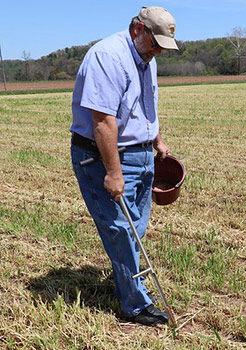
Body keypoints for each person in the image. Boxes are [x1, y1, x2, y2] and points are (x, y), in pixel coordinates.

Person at [70, 6, 178, 326]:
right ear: (137, 29)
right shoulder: (107, 57)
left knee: (136, 229)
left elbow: (146, 105)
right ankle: (135, 304)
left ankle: (128, 281)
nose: (158, 50)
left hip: (141, 155)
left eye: (163, 46)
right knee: (120, 229)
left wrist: (157, 142)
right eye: (155, 42)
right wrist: (113, 173)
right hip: (102, 156)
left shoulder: (148, 59)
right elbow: (103, 122)